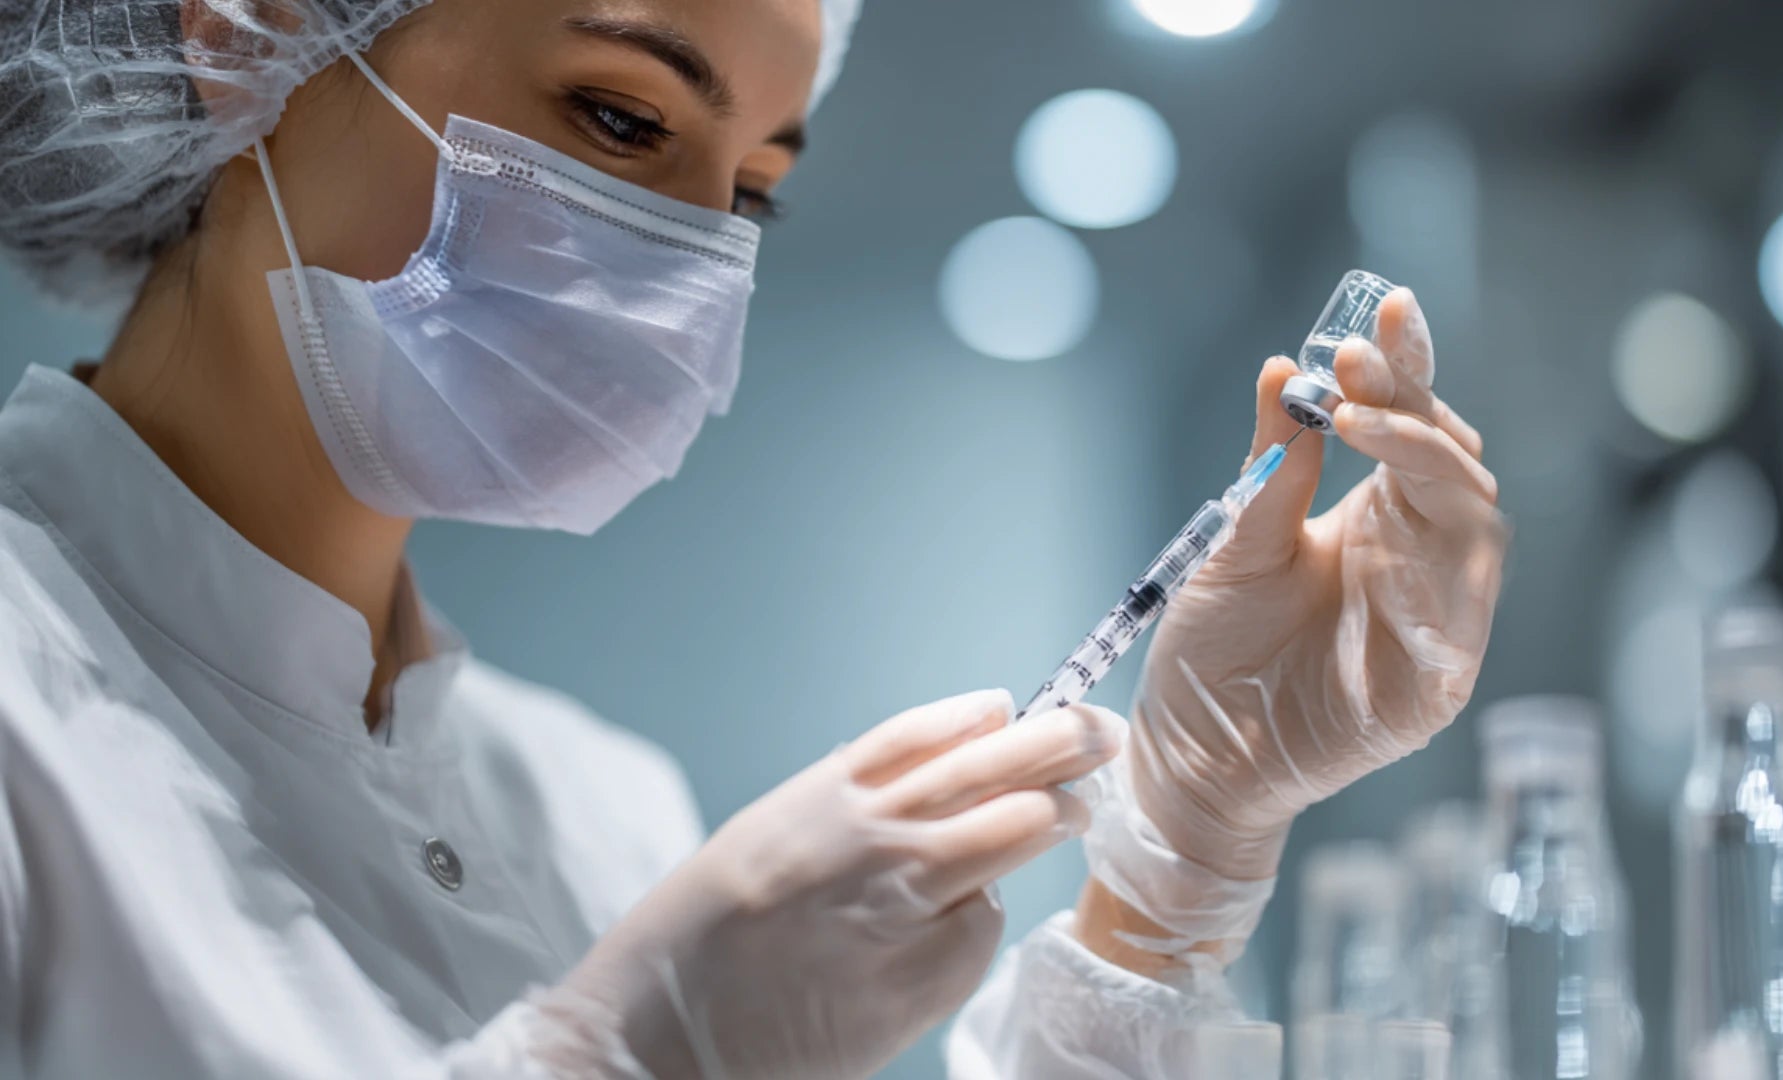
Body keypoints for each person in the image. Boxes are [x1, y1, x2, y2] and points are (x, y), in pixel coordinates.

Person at [0, 0, 1508, 1075]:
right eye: (621, 115)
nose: (684, 259)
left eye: (753, 197)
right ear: (241, 33)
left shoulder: (599, 814)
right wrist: (624, 1058)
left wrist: (1177, 870)